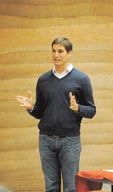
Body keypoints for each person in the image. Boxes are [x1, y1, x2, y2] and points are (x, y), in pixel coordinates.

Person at [16, 37, 96, 192]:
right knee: (51, 187)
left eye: (60, 51)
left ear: (69, 53)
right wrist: (31, 107)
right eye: (53, 51)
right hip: (45, 140)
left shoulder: (82, 79)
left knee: (70, 188)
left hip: (70, 142)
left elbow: (92, 111)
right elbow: (40, 112)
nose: (56, 55)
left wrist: (77, 108)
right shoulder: (43, 80)